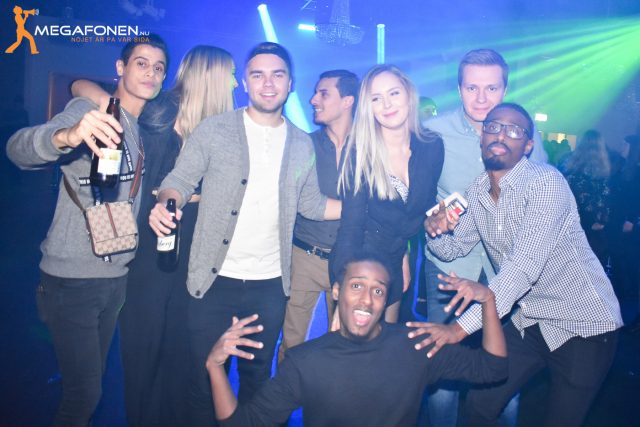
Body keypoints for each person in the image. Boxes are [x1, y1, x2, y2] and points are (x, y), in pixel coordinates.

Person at [148, 41, 341, 426]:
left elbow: (312, 205)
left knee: (257, 382)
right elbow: (179, 180)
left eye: (277, 75)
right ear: (246, 83)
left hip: (269, 285)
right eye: (258, 75)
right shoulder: (215, 129)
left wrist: (366, 205)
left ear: (290, 84)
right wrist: (166, 202)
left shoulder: (301, 143)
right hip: (212, 281)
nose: (268, 84)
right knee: (203, 380)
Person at [421, 102, 623, 427]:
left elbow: (521, 269)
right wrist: (434, 230)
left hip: (583, 326)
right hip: (530, 319)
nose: (501, 134)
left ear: (528, 145)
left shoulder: (546, 183)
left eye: (514, 130)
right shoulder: (477, 190)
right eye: (493, 126)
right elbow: (453, 248)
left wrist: (457, 329)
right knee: (479, 405)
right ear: (482, 138)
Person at [72, 45, 238, 426]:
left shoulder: (224, 127)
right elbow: (82, 89)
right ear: (211, 76)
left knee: (181, 349)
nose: (235, 83)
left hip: (194, 251)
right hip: (149, 246)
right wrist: (102, 98)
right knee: (144, 350)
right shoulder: (161, 110)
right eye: (230, 74)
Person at [6, 35, 168, 426]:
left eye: (158, 67)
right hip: (72, 277)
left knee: (89, 387)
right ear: (120, 68)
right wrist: (66, 136)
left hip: (114, 277)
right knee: (85, 394)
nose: (150, 72)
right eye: (141, 63)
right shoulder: (88, 111)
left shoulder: (138, 128)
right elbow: (17, 149)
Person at [206, 253, 507, 426]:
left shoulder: (414, 345)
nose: (366, 299)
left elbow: (493, 368)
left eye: (377, 290)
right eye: (356, 286)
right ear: (337, 291)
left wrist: (489, 300)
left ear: (385, 301)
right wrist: (215, 367)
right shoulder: (306, 362)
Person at [423, 48, 546, 426]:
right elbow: (414, 194)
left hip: (506, 270)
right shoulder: (433, 134)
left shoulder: (526, 136)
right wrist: (431, 218)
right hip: (449, 266)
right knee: (443, 365)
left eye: (491, 88)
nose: (481, 98)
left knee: (503, 369)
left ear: (505, 88)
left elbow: (539, 200)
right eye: (471, 88)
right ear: (459, 88)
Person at [330, 64, 444, 324]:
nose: (387, 104)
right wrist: (345, 281)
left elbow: (421, 208)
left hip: (395, 259)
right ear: (367, 107)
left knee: (387, 342)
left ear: (409, 94)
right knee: (353, 345)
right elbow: (351, 225)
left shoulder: (432, 146)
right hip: (359, 261)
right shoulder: (359, 151)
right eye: (376, 98)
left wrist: (406, 250)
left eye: (393, 93)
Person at [278, 69, 359, 362]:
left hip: (351, 260)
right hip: (304, 256)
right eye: (315, 93)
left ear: (347, 101)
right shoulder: (304, 145)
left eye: (323, 93)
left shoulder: (370, 148)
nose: (313, 100)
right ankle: (284, 392)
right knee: (291, 343)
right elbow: (296, 201)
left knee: (345, 345)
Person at [561, 130, 611, 267]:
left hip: (572, 225)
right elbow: (605, 200)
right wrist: (600, 222)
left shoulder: (569, 168)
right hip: (592, 228)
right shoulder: (604, 172)